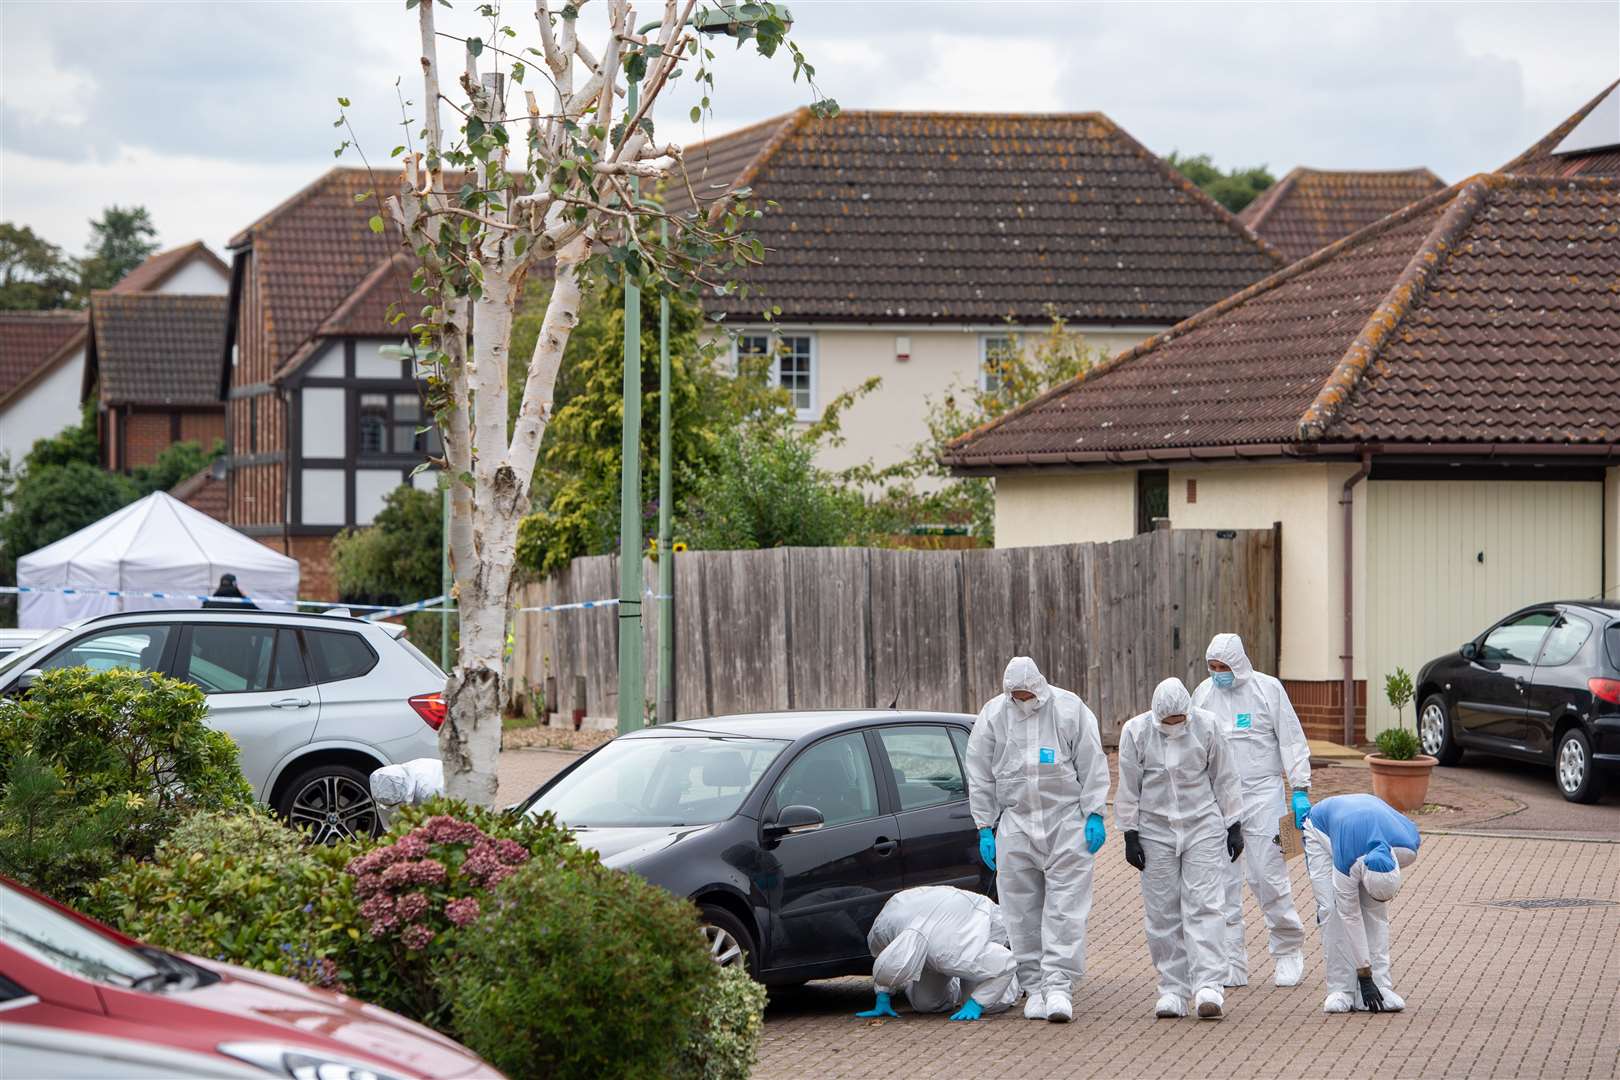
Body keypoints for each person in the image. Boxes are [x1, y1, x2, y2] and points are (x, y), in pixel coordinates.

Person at [965, 656, 1109, 1023]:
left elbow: (1092, 759)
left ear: (1040, 687)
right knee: (1020, 910)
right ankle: (1033, 986)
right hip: (1017, 824)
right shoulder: (995, 714)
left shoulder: (1068, 708)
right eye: (1016, 694)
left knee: (1065, 908)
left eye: (1027, 693)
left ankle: (1059, 986)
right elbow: (979, 771)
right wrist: (984, 825)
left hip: (1066, 823)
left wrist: (1094, 812)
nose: (1023, 699)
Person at [1116, 677, 1245, 1021]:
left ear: (1188, 713)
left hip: (1202, 824)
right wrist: (1129, 832)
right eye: (1168, 722)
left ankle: (1209, 985)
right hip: (1155, 828)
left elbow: (1225, 776)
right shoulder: (1136, 732)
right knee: (1162, 908)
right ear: (1157, 716)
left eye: (1179, 721)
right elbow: (1129, 786)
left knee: (1205, 904)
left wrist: (1234, 823)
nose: (1174, 728)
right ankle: (1172, 988)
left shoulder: (1207, 726)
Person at [1190, 633, 1311, 988]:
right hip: (1219, 801)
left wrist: (1300, 788)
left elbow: (1291, 738)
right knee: (1223, 881)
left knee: (1268, 876)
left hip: (1263, 796)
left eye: (1223, 667)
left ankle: (1288, 949)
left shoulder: (1267, 690)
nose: (1217, 674)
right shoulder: (1203, 695)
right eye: (1211, 667)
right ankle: (1231, 962)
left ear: (1238, 663)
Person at [1302, 793, 1420, 1014]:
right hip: (1321, 829)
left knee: (1374, 912)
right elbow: (1351, 916)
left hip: (1361, 824)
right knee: (1332, 909)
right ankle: (1341, 989)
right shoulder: (1347, 863)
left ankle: (1382, 985)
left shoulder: (1408, 849)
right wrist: (1364, 975)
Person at [853, 886, 1020, 1022]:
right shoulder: (884, 928)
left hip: (973, 916)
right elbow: (885, 956)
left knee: (989, 1002)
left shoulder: (953, 953)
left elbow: (1007, 964)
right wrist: (883, 995)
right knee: (925, 1004)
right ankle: (958, 978)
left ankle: (1014, 987)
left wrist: (978, 1002)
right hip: (937, 917)